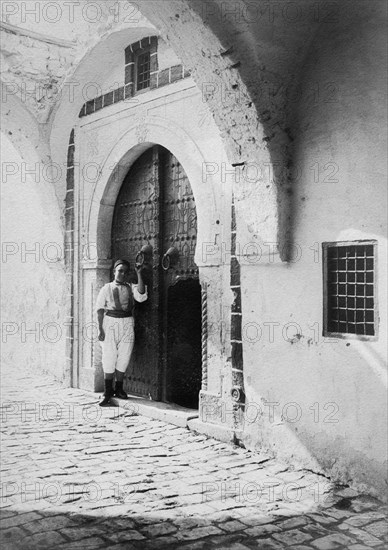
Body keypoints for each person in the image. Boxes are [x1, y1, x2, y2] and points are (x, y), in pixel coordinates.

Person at [96, 259, 147, 406]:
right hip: (110, 323)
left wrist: (139, 274)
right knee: (109, 355)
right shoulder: (107, 288)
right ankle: (107, 391)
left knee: (124, 355)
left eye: (125, 271)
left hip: (127, 323)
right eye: (120, 270)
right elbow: (99, 309)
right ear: (114, 272)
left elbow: (142, 295)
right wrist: (100, 328)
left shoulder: (131, 287)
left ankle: (119, 388)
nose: (122, 274)